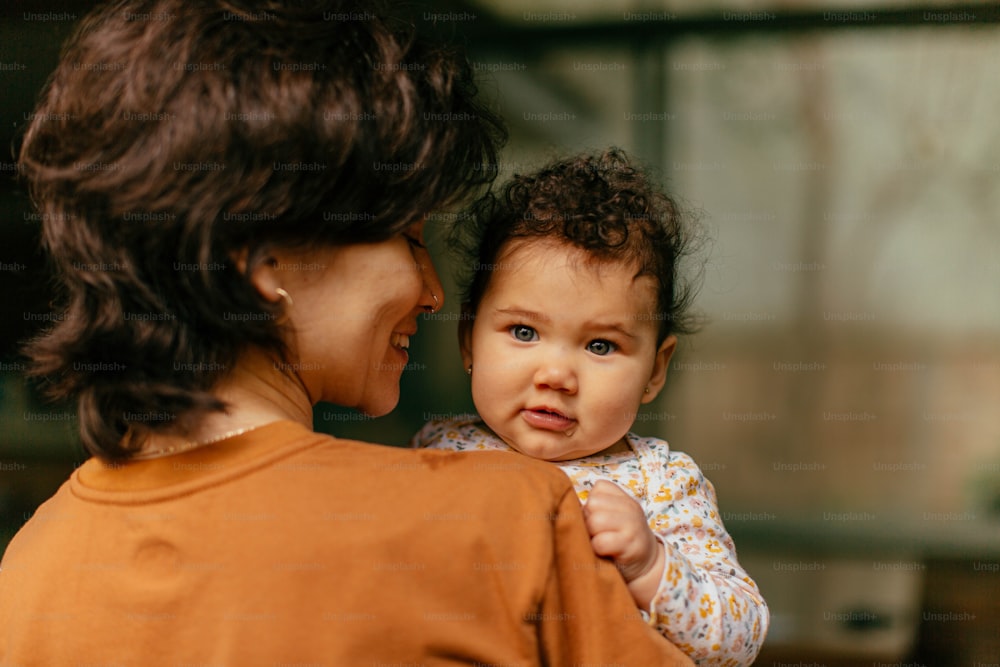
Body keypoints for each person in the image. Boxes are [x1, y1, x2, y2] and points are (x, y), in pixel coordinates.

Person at [0, 2, 696, 665]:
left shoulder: (31, 567)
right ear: (264, 260)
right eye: (410, 237)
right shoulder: (505, 518)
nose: (433, 293)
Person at [413, 149, 769, 665]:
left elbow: (740, 637)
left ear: (654, 371)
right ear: (470, 339)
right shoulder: (438, 448)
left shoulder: (660, 483)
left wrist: (650, 564)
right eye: (524, 331)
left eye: (600, 346)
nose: (555, 375)